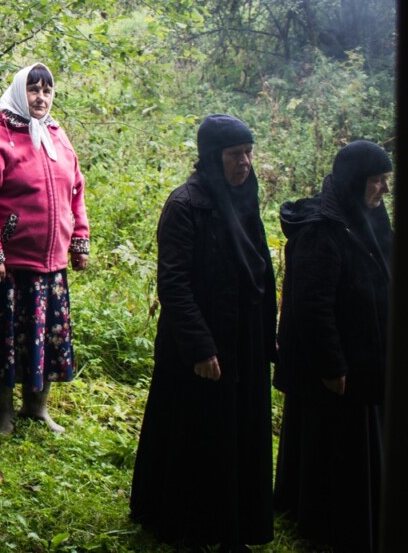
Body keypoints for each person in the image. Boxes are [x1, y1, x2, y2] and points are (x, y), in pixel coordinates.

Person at [130, 114, 277, 551]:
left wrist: (267, 335)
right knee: (196, 433)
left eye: (249, 153)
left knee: (239, 430)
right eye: (236, 155)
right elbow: (174, 283)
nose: (245, 163)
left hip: (243, 338)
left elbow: (261, 273)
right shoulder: (186, 204)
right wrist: (200, 346)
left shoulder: (243, 197)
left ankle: (236, 522)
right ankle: (189, 523)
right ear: (214, 158)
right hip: (199, 344)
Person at [273, 141, 393, 553]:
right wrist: (332, 365)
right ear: (356, 181)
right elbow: (312, 306)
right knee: (334, 448)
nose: (384, 190)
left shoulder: (371, 217)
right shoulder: (321, 231)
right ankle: (325, 520)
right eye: (378, 181)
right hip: (336, 366)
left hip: (368, 357)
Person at [0, 63, 89, 434]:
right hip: (9, 266)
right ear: (21, 91)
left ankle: (36, 407)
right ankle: (2, 415)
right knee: (4, 342)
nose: (40, 97)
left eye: (47, 90)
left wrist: (78, 239)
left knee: (47, 338)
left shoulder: (56, 134)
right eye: (33, 89)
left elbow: (76, 190)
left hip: (50, 265)